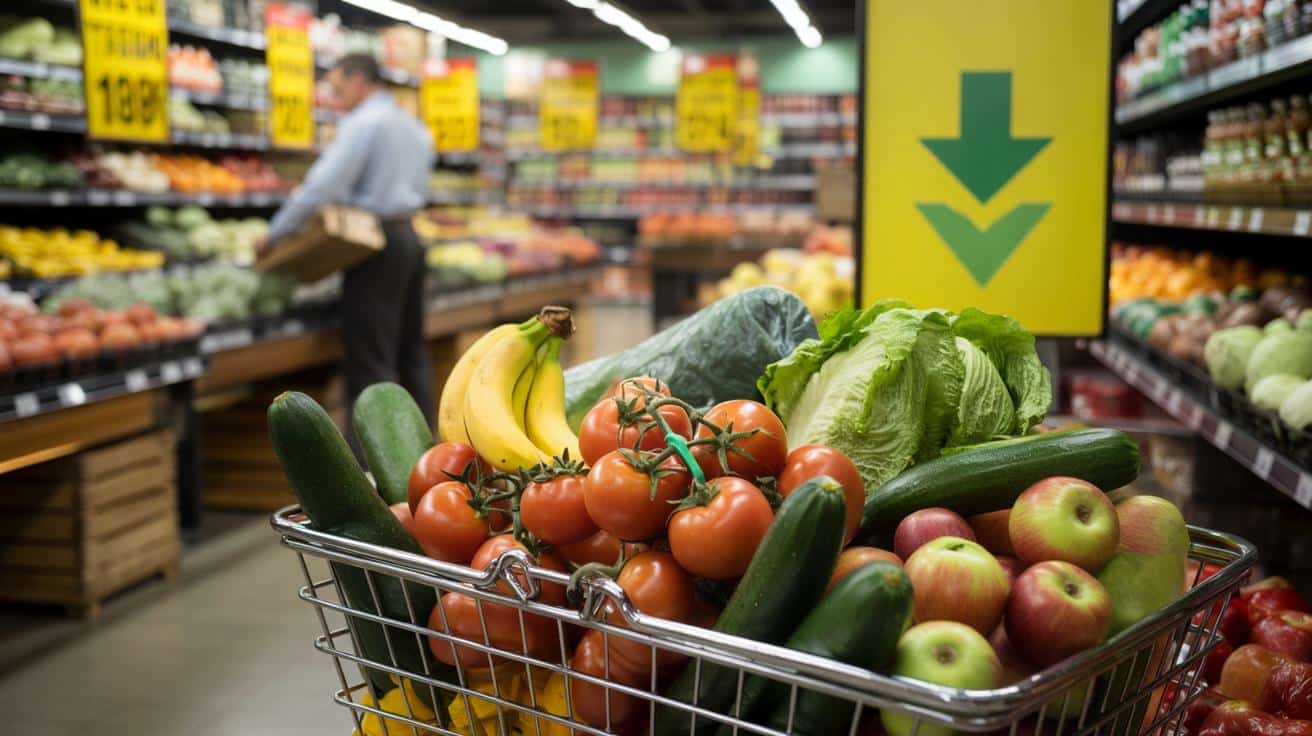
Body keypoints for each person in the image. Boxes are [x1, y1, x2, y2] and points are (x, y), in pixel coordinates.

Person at [263, 53, 435, 454]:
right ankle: (426, 456)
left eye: (338, 89)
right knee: (411, 354)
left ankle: (371, 469)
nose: (335, 98)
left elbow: (323, 187)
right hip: (409, 237)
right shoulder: (412, 127)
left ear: (360, 81)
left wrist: (277, 232)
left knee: (370, 363)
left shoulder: (364, 124)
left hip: (371, 246)